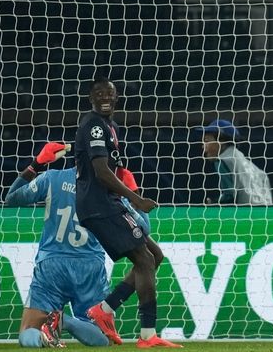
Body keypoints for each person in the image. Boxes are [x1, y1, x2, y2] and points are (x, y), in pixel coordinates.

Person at [74, 76, 181, 348]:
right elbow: (101, 171)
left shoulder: (110, 126)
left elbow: (112, 169)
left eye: (109, 93)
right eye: (99, 93)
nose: (105, 98)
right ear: (91, 98)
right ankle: (147, 336)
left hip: (109, 202)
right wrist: (136, 199)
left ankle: (105, 310)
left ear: (117, 97)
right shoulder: (94, 126)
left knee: (155, 255)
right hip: (99, 205)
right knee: (145, 260)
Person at [4, 142, 110, 348]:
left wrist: (36, 164)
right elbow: (143, 227)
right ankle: (65, 321)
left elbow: (11, 199)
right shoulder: (108, 186)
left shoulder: (52, 178)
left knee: (27, 333)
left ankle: (44, 335)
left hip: (52, 264)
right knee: (101, 338)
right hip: (90, 267)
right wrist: (132, 191)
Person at [197, 119, 273, 205]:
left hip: (245, 215)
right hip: (267, 214)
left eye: (206, 141)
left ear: (221, 141)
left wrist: (214, 203)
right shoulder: (255, 168)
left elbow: (229, 196)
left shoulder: (223, 160)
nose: (203, 146)